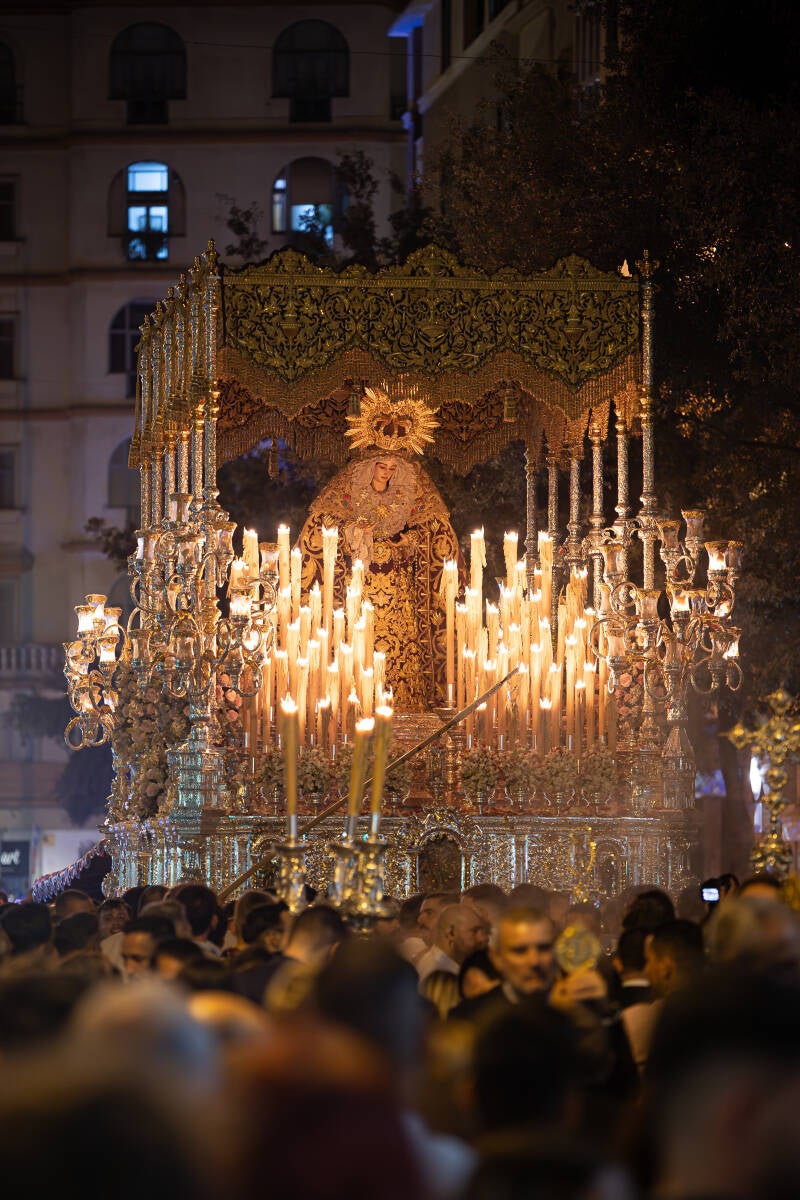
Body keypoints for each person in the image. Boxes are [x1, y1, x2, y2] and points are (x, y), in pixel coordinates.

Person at [298, 445, 461, 710]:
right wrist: (355, 529)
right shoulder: (350, 490)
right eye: (382, 466)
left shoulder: (407, 492)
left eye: (391, 468)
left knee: (402, 640)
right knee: (362, 636)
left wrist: (411, 539)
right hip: (363, 582)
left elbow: (430, 525)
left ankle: (405, 703)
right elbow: (329, 522)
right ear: (370, 466)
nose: (386, 473)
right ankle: (360, 702)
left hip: (398, 584)